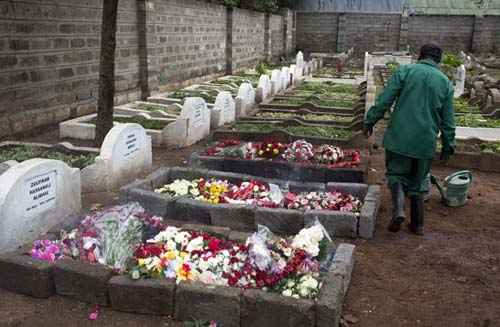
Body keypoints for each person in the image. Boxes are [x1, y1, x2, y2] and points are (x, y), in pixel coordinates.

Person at [363, 44, 456, 236]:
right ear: (438, 61)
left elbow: (385, 99)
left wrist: (370, 120)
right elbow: (448, 121)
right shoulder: (445, 82)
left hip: (399, 137)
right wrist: (448, 146)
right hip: (425, 142)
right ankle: (418, 225)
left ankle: (398, 210)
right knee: (419, 180)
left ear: (420, 56)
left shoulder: (406, 71)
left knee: (396, 174)